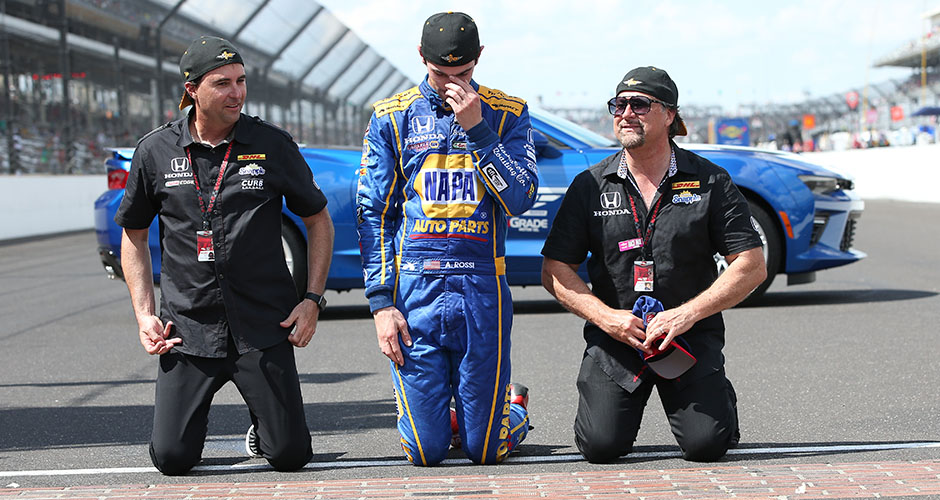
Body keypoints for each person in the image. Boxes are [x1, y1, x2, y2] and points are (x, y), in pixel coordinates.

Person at [115, 36, 334, 475]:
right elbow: (134, 235)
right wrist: (144, 315)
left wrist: (311, 300)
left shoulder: (271, 144)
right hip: (189, 327)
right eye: (222, 83)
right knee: (173, 460)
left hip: (263, 324)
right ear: (193, 89)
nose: (236, 92)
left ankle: (265, 427)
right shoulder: (155, 151)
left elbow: (318, 220)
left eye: (241, 81)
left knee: (290, 456)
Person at [540, 66, 766, 463]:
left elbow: (751, 264)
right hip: (617, 338)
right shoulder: (589, 185)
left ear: (669, 115)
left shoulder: (711, 181)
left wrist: (686, 315)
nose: (625, 113)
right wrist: (607, 318)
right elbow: (555, 269)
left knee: (706, 445)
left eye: (639, 104)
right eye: (618, 104)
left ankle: (716, 398)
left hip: (686, 337)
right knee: (600, 447)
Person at [356, 12, 536, 466]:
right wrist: (381, 304)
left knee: (486, 451)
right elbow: (374, 214)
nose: (451, 84)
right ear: (421, 58)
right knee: (424, 451)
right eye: (441, 74)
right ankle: (453, 418)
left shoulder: (508, 113)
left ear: (479, 60)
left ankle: (509, 411)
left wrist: (478, 129)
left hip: (481, 287)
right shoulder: (390, 117)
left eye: (463, 74)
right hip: (417, 289)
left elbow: (519, 199)